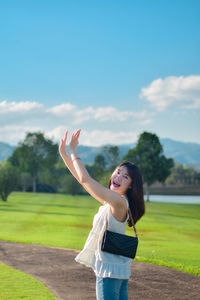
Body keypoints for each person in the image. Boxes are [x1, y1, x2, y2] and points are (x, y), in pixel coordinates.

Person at [59, 129, 145, 300]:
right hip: (115, 271)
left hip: (109, 274)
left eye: (125, 177)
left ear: (130, 186)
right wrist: (64, 154)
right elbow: (83, 181)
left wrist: (74, 151)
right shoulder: (113, 201)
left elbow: (86, 179)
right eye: (117, 172)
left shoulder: (119, 202)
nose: (118, 177)